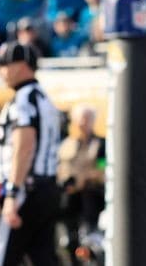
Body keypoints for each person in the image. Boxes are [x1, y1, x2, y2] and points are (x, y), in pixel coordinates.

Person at [0, 42, 62, 266]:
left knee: (2, 258)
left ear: (21, 66)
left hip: (25, 190)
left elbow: (24, 145)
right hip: (46, 188)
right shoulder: (43, 98)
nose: (0, 71)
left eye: (4, 65)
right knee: (42, 257)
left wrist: (12, 192)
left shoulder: (23, 99)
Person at [56, 105, 105, 263]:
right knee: (69, 241)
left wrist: (84, 178)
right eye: (80, 119)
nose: (83, 123)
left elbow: (103, 168)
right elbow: (61, 169)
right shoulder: (67, 145)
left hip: (92, 200)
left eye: (87, 119)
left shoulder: (100, 144)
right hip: (70, 202)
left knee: (91, 242)